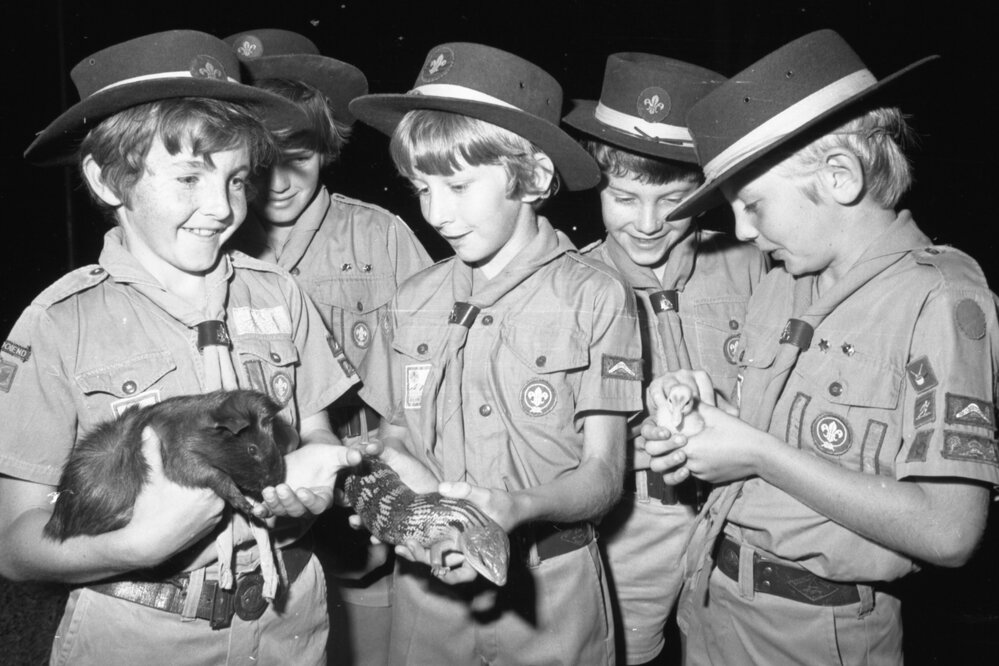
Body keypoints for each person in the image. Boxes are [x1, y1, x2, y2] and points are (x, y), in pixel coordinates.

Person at [0, 30, 366, 666]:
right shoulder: (60, 323)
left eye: (237, 179)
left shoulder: (278, 293)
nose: (220, 208)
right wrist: (135, 546)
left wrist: (316, 481)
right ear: (108, 178)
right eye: (190, 176)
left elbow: (320, 435)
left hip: (288, 626)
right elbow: (14, 542)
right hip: (136, 635)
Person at [641, 29, 999, 665]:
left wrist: (755, 454)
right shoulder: (782, 283)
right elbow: (774, 426)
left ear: (839, 177)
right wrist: (704, 411)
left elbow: (949, 532)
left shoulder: (939, 299)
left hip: (817, 631)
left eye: (752, 206)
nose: (744, 233)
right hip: (712, 600)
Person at [347, 42, 645, 665]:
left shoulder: (597, 296)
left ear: (532, 177)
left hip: (554, 589)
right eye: (420, 187)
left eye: (457, 185)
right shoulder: (411, 298)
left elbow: (601, 476)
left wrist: (517, 509)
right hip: (429, 588)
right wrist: (421, 522)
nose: (435, 213)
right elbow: (393, 438)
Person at [224, 29, 433, 666]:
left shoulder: (379, 235)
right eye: (263, 162)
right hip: (255, 516)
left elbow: (438, 359)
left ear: (328, 147)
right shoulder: (215, 249)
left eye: (302, 155)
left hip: (363, 509)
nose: (282, 182)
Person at [562, 52, 768, 665]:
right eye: (624, 198)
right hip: (632, 528)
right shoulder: (571, 286)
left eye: (673, 201)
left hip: (747, 519)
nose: (649, 224)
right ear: (596, 183)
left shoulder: (758, 264)